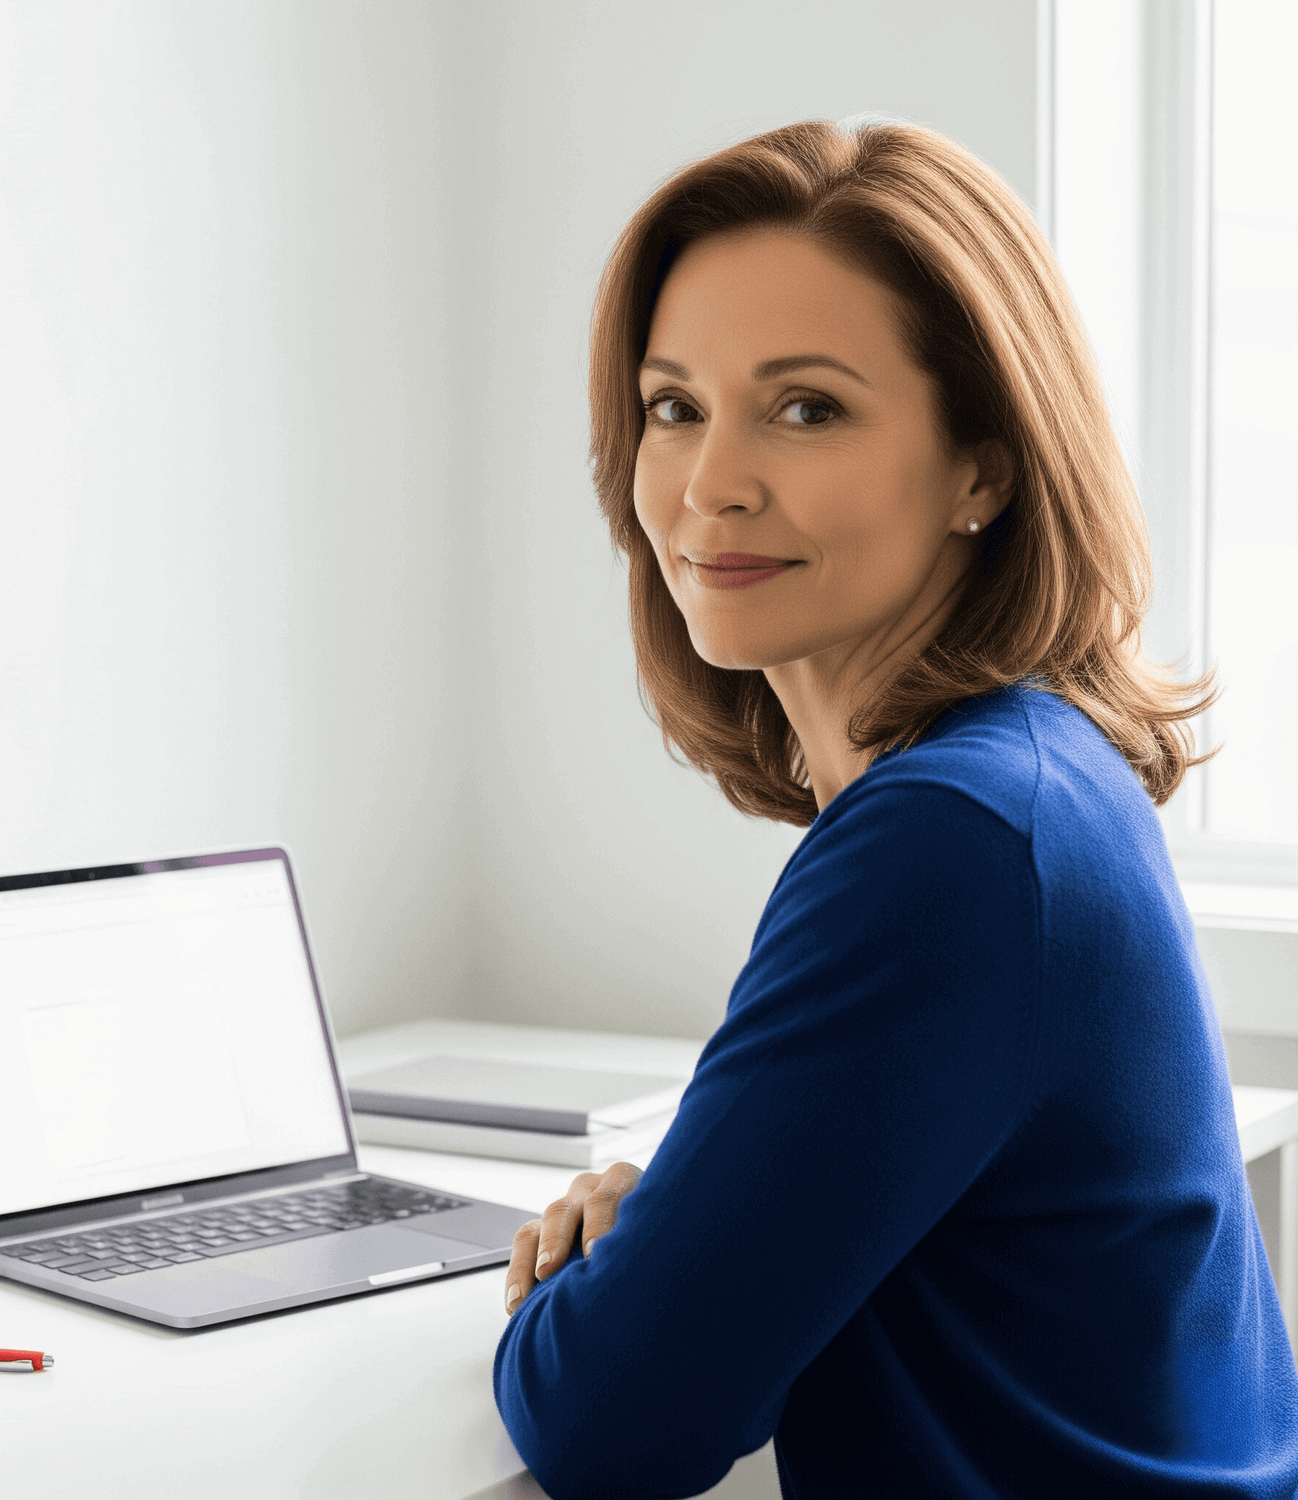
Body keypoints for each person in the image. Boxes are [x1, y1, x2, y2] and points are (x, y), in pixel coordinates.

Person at [491, 119, 1298, 1499]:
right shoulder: (1031, 771)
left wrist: (588, 1286)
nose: (710, 484)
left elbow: (608, 1426)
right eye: (675, 405)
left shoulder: (954, 840)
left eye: (807, 408)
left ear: (984, 467)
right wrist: (678, 1234)